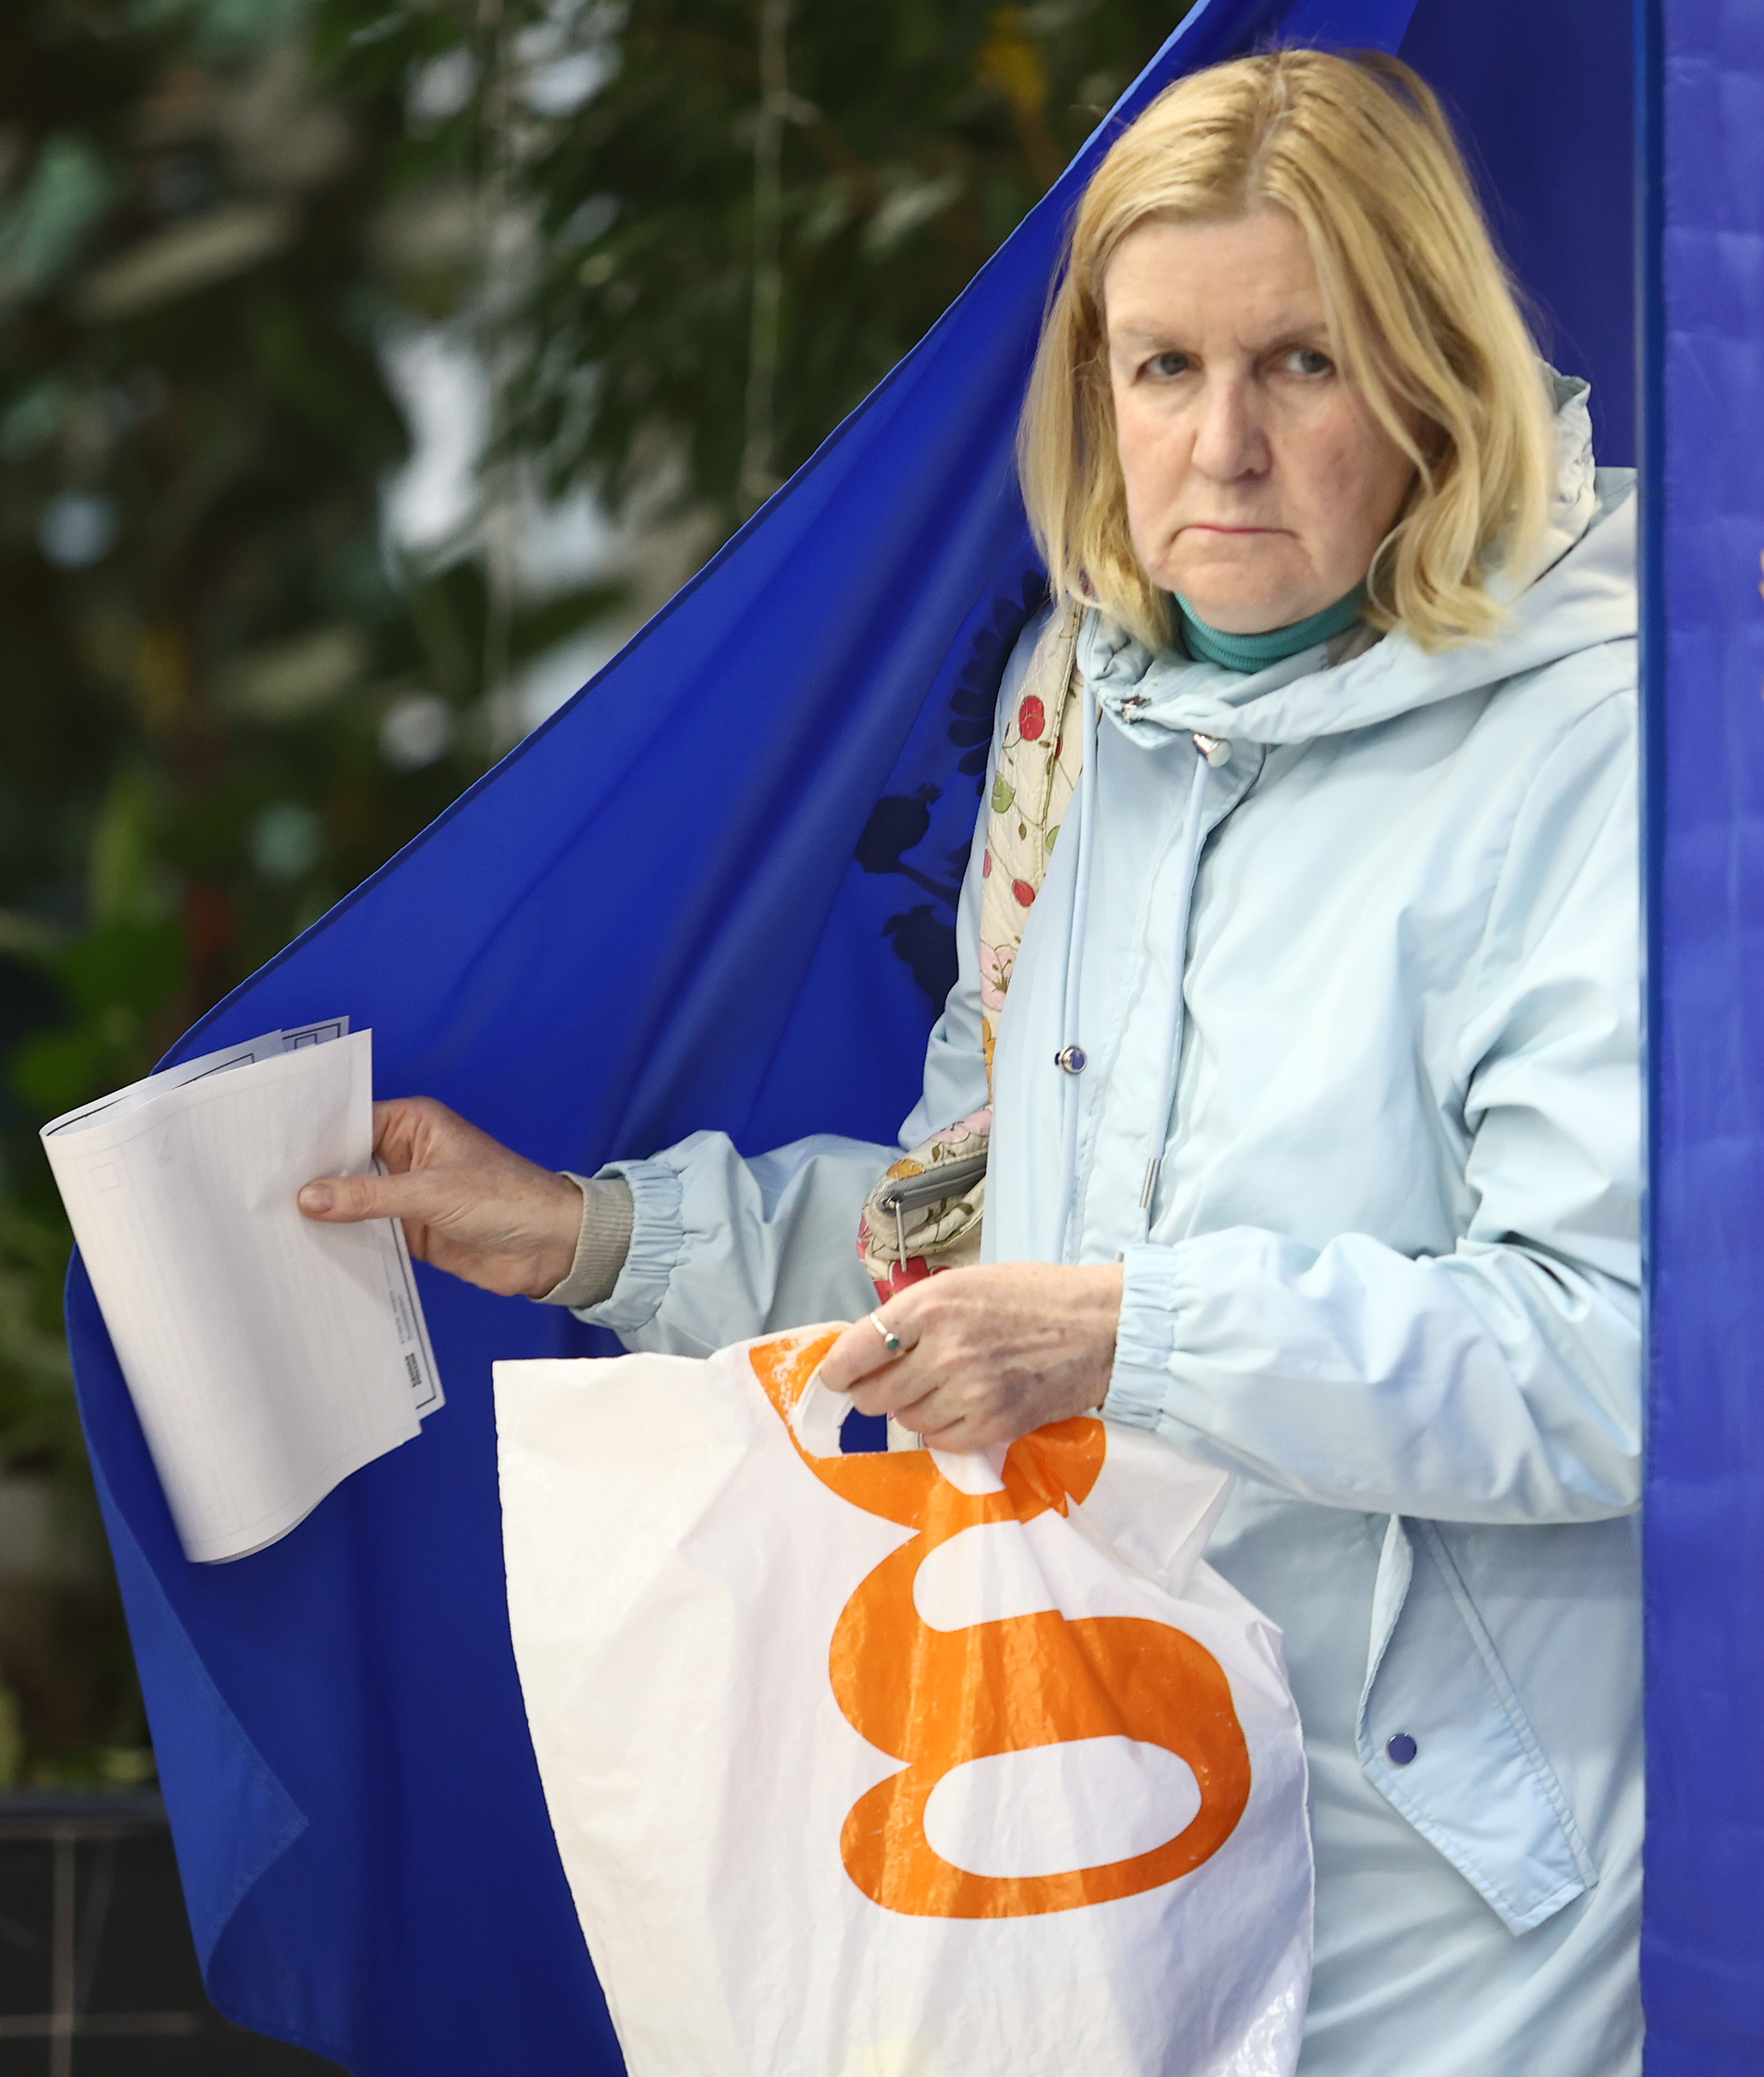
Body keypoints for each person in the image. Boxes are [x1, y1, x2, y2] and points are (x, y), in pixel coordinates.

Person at [299, 48, 1642, 2077]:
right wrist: (590, 1236)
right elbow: (967, 1247)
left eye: (1302, 363)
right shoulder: (1078, 709)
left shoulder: (1593, 738)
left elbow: (1608, 1357)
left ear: (1437, 376)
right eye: (1164, 366)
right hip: (1105, 1829)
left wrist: (1121, 1336)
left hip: (1449, 1902)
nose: (1223, 447)